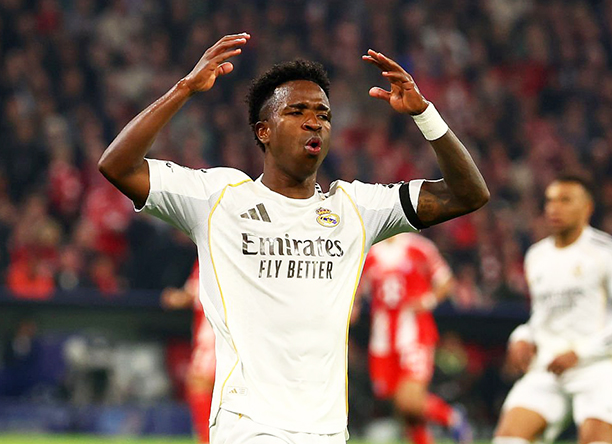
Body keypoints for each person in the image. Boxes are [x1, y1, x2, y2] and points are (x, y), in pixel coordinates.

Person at [98, 32, 489, 443]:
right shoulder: (218, 199)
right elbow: (118, 165)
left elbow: (468, 194)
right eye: (297, 111)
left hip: (327, 431)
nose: (314, 121)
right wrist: (185, 89)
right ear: (263, 131)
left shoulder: (355, 209)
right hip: (249, 427)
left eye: (323, 114)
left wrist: (424, 113)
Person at [494, 175, 612, 444]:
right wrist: (522, 336)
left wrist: (580, 353)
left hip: (598, 368)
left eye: (565, 200)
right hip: (547, 367)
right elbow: (542, 315)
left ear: (587, 208)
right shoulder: (536, 256)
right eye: (550, 201)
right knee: (507, 440)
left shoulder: (605, 253)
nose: (554, 208)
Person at [359, 234, 472, 444]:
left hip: (414, 334)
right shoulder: (369, 251)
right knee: (405, 410)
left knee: (409, 400)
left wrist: (428, 300)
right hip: (382, 340)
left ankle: (451, 417)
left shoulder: (418, 247)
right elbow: (357, 289)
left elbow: (445, 281)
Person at [162, 260, 215, 444]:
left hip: (214, 334)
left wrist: (176, 298)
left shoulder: (213, 255)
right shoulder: (201, 261)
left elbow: (196, 293)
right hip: (210, 334)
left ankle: (207, 439)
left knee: (200, 383)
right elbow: (194, 292)